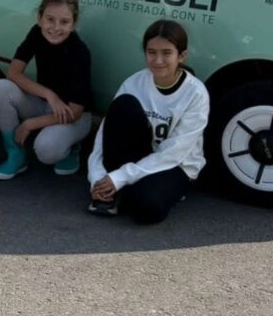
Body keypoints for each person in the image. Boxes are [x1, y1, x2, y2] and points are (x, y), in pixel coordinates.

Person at [87, 20, 210, 224]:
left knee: (147, 209)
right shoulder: (134, 83)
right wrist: (97, 178)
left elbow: (174, 153)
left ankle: (128, 189)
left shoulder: (195, 93)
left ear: (182, 56)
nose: (158, 60)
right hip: (138, 156)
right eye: (151, 52)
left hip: (174, 165)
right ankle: (111, 190)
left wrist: (119, 178)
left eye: (167, 53)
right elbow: (105, 134)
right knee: (123, 105)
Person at [0, 0, 92, 180]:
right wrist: (50, 95)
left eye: (64, 22)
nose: (55, 28)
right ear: (39, 18)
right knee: (0, 89)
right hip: (45, 104)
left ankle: (72, 147)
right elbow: (14, 73)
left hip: (73, 116)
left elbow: (76, 111)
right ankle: (16, 154)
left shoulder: (80, 51)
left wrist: (30, 123)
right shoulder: (37, 33)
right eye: (50, 19)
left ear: (74, 24)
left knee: (46, 151)